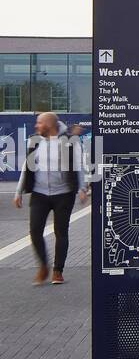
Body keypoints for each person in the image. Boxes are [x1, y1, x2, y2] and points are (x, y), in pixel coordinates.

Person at [14, 112, 89, 285]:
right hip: (39, 194)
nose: (36, 126)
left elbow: (79, 166)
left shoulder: (70, 141)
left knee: (61, 232)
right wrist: (18, 191)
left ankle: (58, 271)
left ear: (49, 125)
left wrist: (82, 188)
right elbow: (27, 167)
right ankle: (43, 266)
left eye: (39, 123)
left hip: (64, 194)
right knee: (35, 231)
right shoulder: (35, 141)